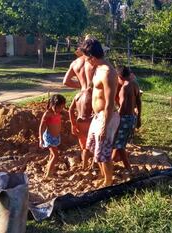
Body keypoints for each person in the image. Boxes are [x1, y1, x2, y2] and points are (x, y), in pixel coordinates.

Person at [82, 39, 120, 187]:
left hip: (106, 117)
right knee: (94, 147)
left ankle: (108, 181)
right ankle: (104, 175)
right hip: (98, 116)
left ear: (92, 56)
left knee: (103, 152)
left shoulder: (109, 73)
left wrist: (104, 125)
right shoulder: (97, 68)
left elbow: (110, 103)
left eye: (86, 57)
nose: (85, 60)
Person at [64, 36, 96, 170]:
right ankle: (94, 163)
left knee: (83, 139)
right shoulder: (93, 61)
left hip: (80, 96)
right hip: (92, 96)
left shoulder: (75, 63)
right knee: (95, 136)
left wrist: (81, 88)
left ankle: (85, 163)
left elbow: (66, 81)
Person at [112, 66, 142, 171]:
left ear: (120, 77)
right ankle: (114, 158)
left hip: (124, 118)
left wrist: (115, 118)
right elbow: (139, 102)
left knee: (119, 144)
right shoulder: (135, 84)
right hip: (132, 117)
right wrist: (138, 118)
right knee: (119, 141)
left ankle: (128, 167)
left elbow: (123, 106)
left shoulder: (125, 87)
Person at [38, 94, 66, 178]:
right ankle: (48, 174)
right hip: (49, 137)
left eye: (62, 107)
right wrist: (40, 139)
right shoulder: (48, 114)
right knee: (55, 156)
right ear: (53, 105)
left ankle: (48, 170)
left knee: (52, 155)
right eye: (59, 107)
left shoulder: (57, 112)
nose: (61, 109)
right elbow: (41, 126)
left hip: (56, 137)